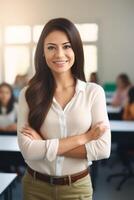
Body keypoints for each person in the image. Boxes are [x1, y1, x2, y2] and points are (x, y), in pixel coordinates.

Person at [17, 18, 111, 200]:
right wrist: (84, 138)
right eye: (51, 47)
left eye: (67, 46)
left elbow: (102, 148)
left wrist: (43, 142)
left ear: (75, 49)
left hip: (76, 187)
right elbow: (28, 150)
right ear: (42, 53)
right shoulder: (28, 94)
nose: (59, 54)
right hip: (35, 187)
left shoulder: (93, 92)